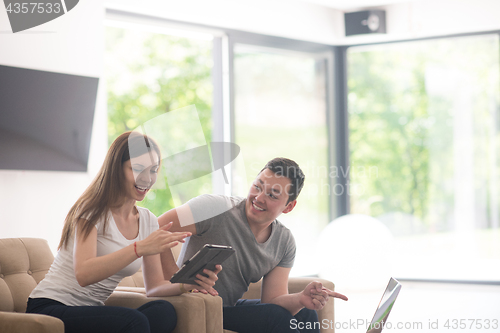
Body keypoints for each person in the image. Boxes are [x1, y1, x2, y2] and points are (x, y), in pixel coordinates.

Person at [26, 131, 221, 333]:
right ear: (116, 169)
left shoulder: (147, 220)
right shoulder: (90, 212)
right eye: (137, 169)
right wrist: (139, 248)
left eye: (153, 170)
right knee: (133, 321)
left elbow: (154, 287)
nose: (147, 179)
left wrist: (187, 285)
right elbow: (83, 274)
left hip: (90, 311)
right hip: (50, 307)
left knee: (164, 311)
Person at [158, 157, 348, 333]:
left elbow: (272, 301)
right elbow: (156, 227)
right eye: (257, 186)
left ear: (289, 206)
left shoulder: (284, 241)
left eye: (273, 195)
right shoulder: (214, 208)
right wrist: (174, 279)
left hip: (227, 308)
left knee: (305, 314)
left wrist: (300, 299)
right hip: (193, 305)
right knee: (276, 317)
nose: (259, 198)